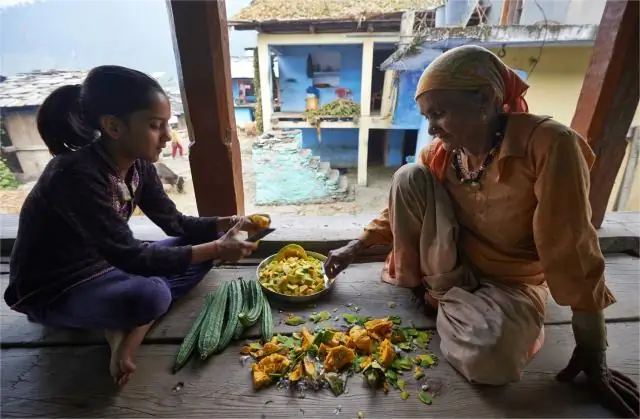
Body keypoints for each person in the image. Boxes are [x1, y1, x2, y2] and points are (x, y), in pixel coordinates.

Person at [324, 46, 639, 417]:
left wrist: (592, 349)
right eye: (427, 116)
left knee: (491, 363)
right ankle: (442, 299)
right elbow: (398, 208)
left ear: (487, 100)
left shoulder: (550, 145)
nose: (431, 129)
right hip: (449, 265)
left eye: (439, 114)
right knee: (408, 175)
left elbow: (571, 245)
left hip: (512, 281)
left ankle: (449, 307)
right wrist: (356, 246)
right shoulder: (442, 152)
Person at [4, 65, 269, 387]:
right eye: (156, 126)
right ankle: (129, 326)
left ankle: (122, 329)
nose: (168, 136)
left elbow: (175, 223)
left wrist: (227, 223)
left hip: (108, 266)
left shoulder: (139, 167)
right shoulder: (74, 175)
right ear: (114, 126)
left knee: (198, 257)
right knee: (153, 294)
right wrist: (216, 246)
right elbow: (132, 258)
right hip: (57, 288)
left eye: (167, 125)